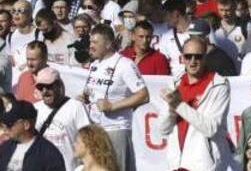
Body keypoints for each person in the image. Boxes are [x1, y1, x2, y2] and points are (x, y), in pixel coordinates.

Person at [78, 24, 148, 171]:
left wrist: (112, 106)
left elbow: (143, 95)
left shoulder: (125, 64)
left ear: (108, 44)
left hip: (116, 129)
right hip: (95, 131)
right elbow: (93, 92)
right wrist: (84, 98)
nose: (90, 46)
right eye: (90, 42)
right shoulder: (95, 64)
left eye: (95, 42)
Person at [156, 36, 232, 169]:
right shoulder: (175, 83)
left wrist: (178, 105)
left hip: (204, 164)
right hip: (177, 163)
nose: (193, 61)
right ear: (182, 58)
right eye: (188, 56)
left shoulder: (219, 85)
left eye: (198, 57)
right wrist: (171, 111)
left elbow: (211, 129)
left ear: (205, 57)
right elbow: (163, 130)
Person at [33, 67, 90, 171]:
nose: (45, 91)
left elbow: (89, 142)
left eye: (49, 86)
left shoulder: (76, 107)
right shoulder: (35, 109)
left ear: (59, 85)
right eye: (41, 87)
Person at [0, 98, 66, 170]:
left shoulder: (49, 154)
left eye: (9, 124)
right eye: (4, 124)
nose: (5, 128)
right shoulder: (5, 147)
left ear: (26, 125)